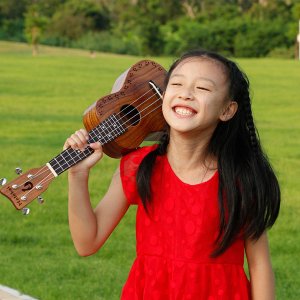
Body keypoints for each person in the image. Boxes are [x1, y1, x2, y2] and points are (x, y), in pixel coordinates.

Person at [64, 49, 280, 299]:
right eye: (177, 83)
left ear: (227, 110)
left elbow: (260, 265)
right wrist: (77, 176)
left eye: (203, 88)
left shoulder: (240, 177)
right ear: (164, 96)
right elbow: (87, 242)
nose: (186, 94)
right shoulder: (139, 166)